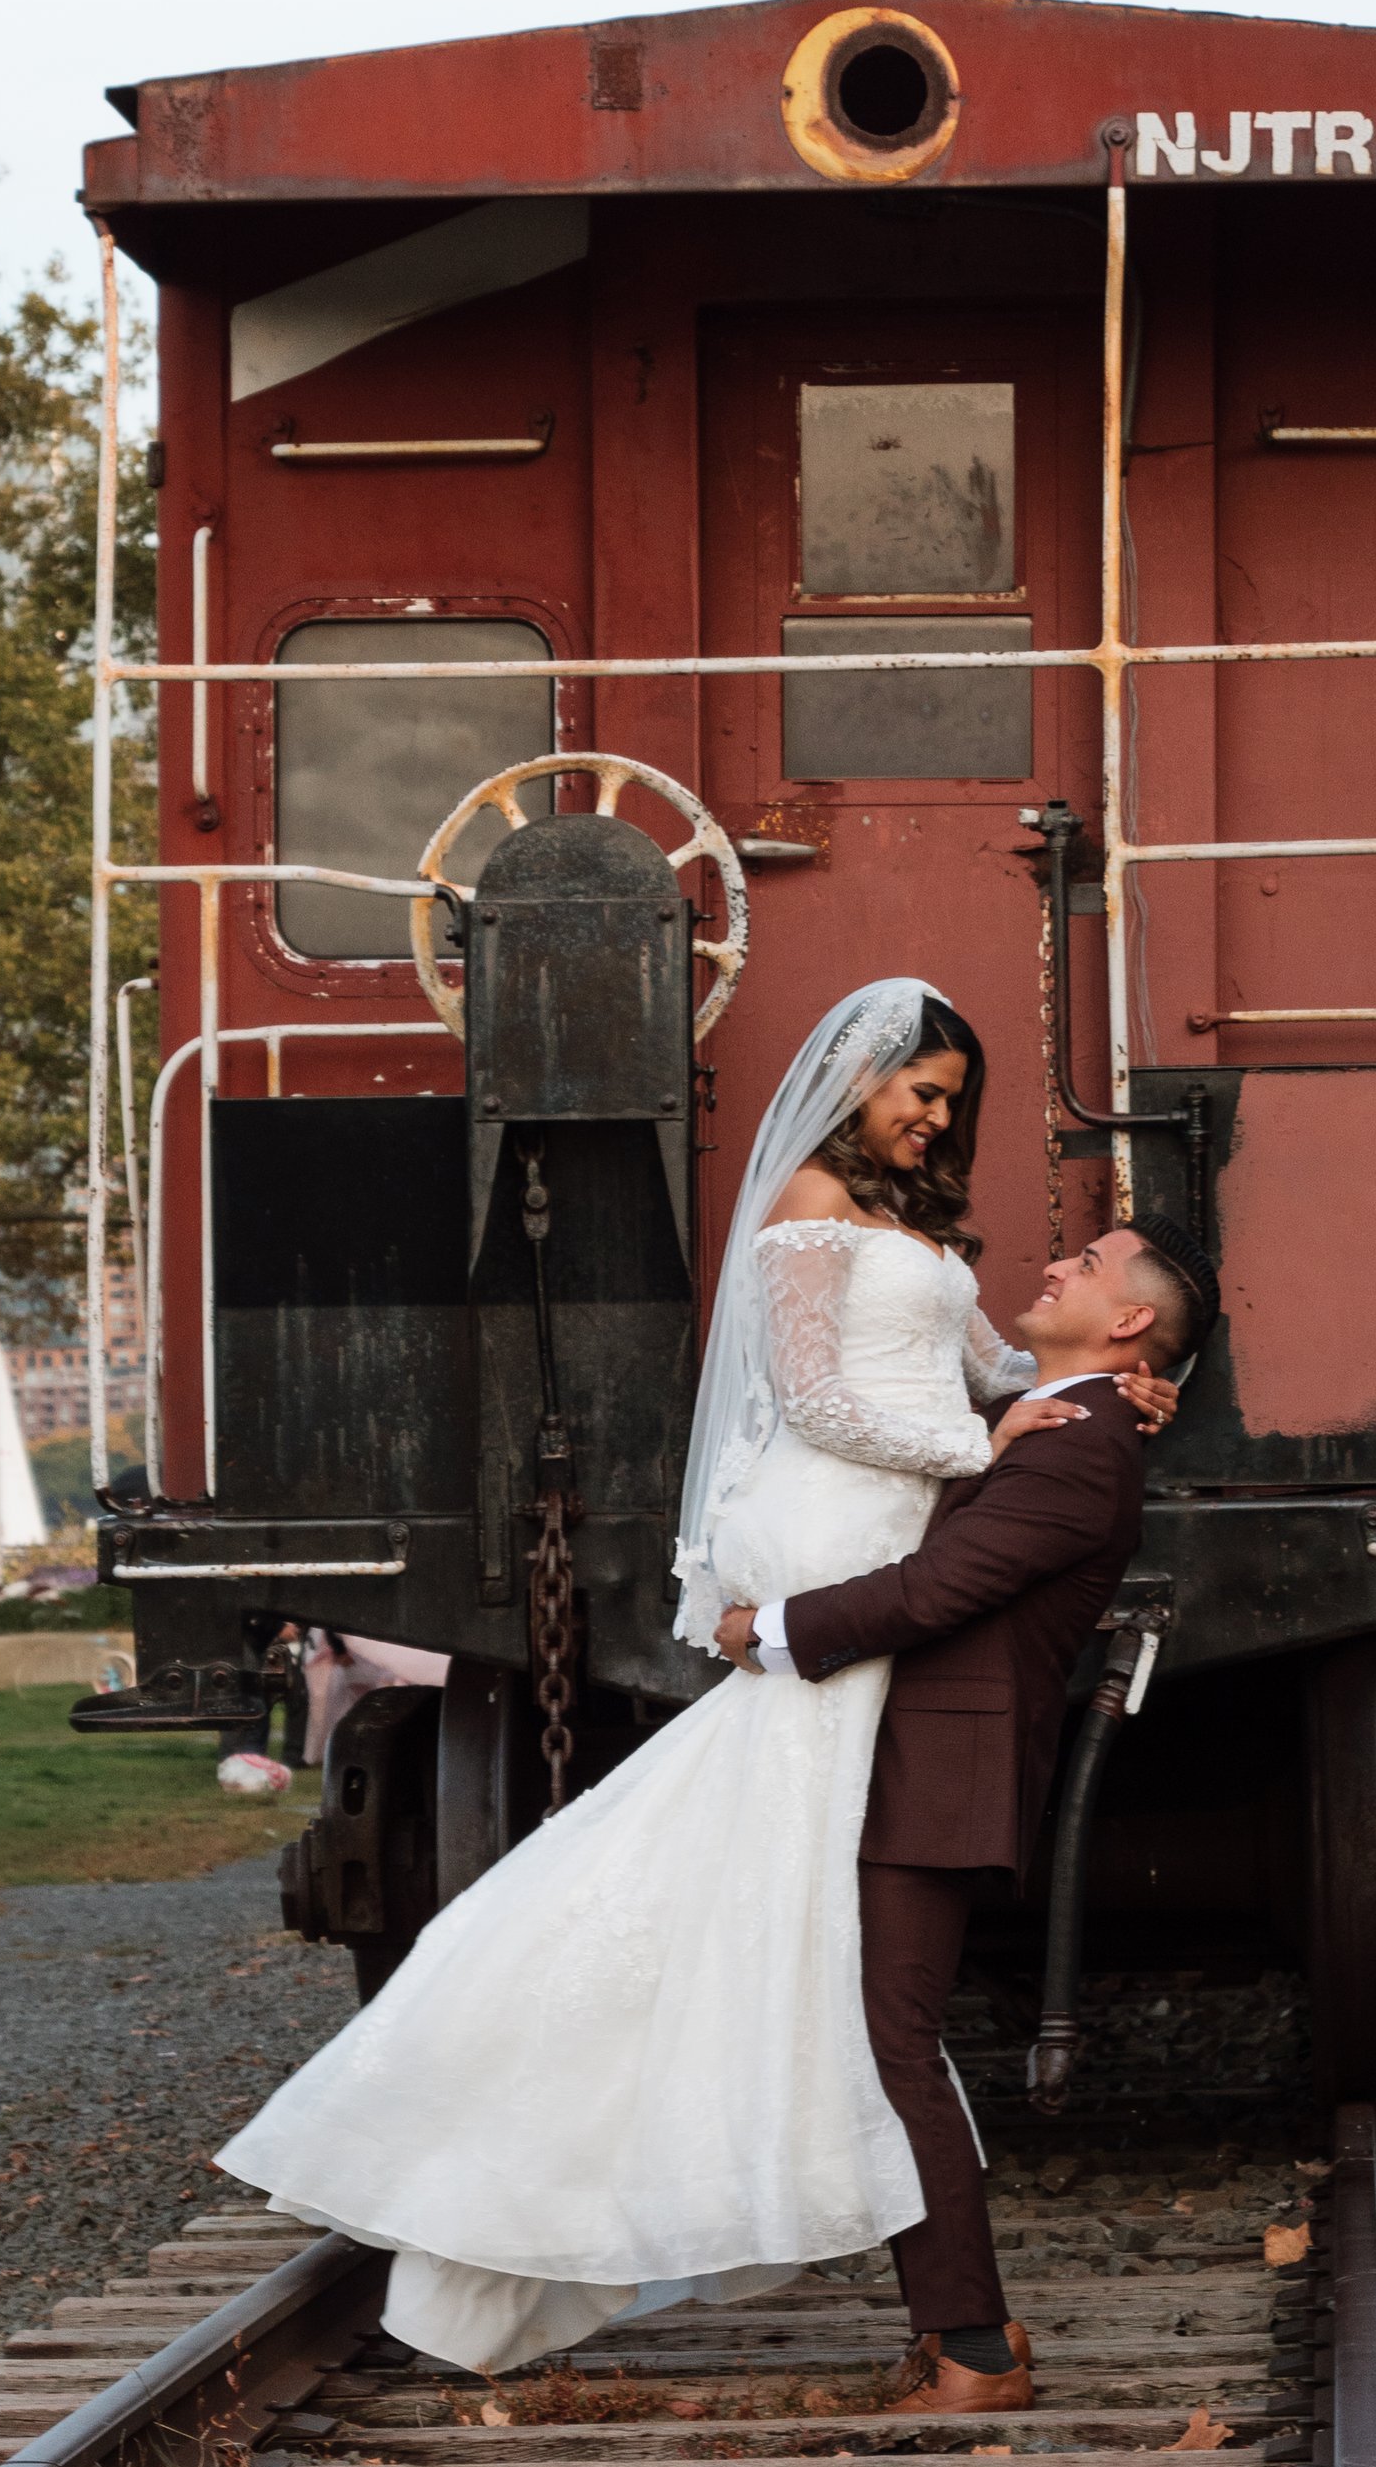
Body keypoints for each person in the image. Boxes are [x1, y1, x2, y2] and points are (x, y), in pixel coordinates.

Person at [211, 976, 1173, 2377]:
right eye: (926, 1090)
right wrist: (1000, 1444)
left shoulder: (924, 1240)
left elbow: (988, 1371)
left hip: (880, 1570)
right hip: (841, 1539)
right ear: (866, 1079)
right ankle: (936, 2312)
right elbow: (819, 1400)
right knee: (810, 1963)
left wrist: (1076, 1400)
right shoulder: (806, 1205)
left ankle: (939, 2309)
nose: (936, 1118)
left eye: (954, 1103)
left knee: (796, 1961)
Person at [719, 1211, 1220, 2412]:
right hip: (912, 1755)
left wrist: (772, 1631)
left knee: (892, 2041)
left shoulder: (1083, 1443)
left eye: (1086, 1265)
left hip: (940, 1773)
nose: (1050, 1265)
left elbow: (947, 1586)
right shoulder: (1063, 1423)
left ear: (1129, 1321)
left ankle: (973, 2352)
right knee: (884, 2038)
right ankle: (963, 2333)